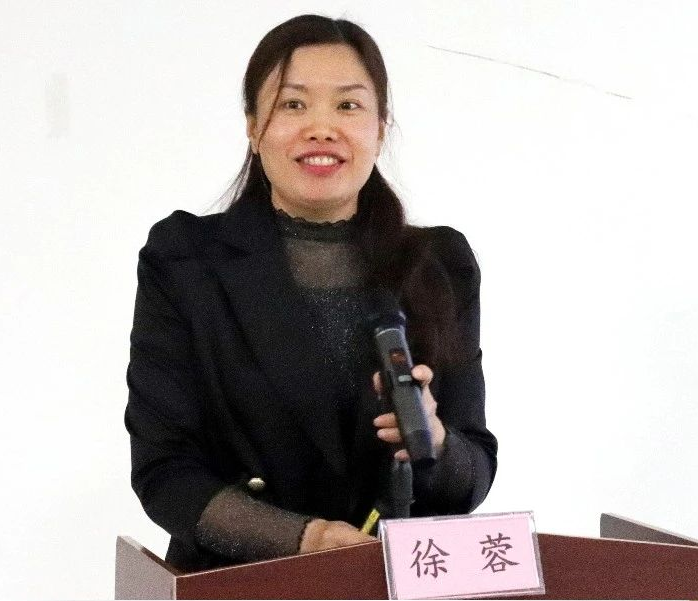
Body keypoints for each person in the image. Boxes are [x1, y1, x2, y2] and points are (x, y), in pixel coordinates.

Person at [125, 14, 497, 571]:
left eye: (348, 105)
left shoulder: (440, 263)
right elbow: (166, 472)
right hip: (240, 583)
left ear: (380, 127)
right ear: (253, 126)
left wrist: (435, 442)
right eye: (293, 104)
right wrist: (303, 541)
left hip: (393, 582)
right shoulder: (186, 260)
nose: (322, 128)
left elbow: (473, 475)